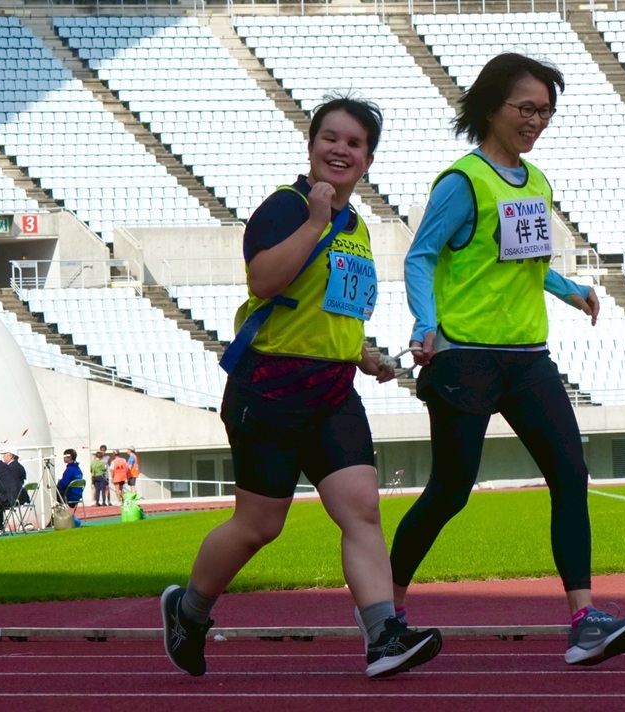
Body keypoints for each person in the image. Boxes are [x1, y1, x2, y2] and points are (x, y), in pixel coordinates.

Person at [160, 94, 441, 680]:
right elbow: (264, 281)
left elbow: (329, 307)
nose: (341, 150)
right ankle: (188, 610)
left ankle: (383, 635)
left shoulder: (357, 226)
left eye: (354, 143)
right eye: (330, 138)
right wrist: (315, 221)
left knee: (362, 510)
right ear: (312, 146)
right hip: (271, 386)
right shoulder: (287, 206)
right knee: (259, 525)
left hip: (334, 389)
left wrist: (363, 354)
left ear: (368, 160)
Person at [389, 53, 625, 666]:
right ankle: (387, 613)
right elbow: (420, 257)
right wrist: (426, 326)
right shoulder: (461, 182)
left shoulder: (536, 182)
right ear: (490, 107)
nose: (537, 120)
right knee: (451, 491)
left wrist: (572, 290)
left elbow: (528, 262)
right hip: (465, 359)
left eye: (547, 111)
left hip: (529, 357)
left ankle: (584, 621)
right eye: (526, 108)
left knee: (570, 475)